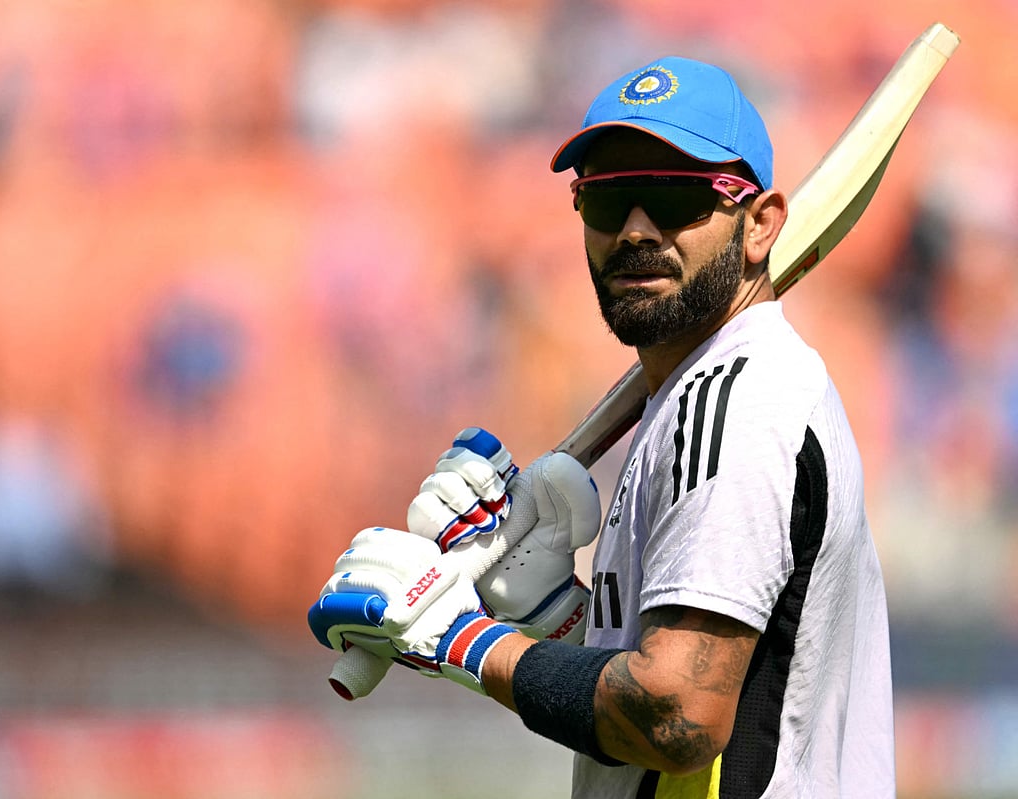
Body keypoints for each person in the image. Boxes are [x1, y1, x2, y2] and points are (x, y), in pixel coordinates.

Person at [309, 55, 895, 798]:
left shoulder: (740, 399)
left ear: (762, 225)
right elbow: (676, 695)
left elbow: (677, 716)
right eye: (608, 200)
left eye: (674, 196)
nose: (635, 231)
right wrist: (553, 618)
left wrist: (461, 641)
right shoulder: (686, 399)